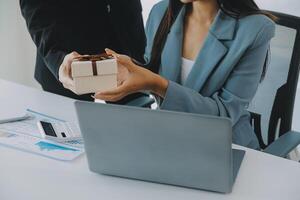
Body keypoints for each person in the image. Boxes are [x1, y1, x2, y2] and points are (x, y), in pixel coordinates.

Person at [93, 0, 276, 149]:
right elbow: (151, 73)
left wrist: (157, 84)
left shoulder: (256, 30)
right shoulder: (161, 12)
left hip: (225, 147)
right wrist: (123, 72)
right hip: (169, 140)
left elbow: (224, 115)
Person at [20, 0, 146, 101]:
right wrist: (58, 60)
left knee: (136, 127)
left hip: (130, 58)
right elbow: (36, 11)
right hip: (69, 67)